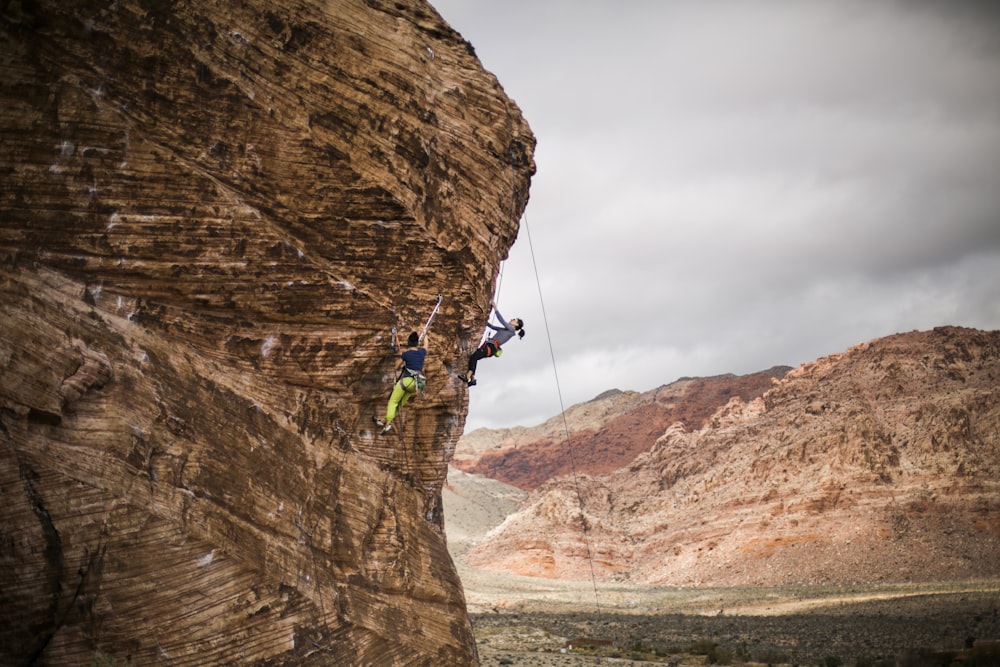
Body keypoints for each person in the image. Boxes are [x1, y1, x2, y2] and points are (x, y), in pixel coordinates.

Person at [374, 331, 427, 434]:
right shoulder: (421, 353)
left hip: (406, 382)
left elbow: (396, 366)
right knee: (399, 405)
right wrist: (425, 334)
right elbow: (426, 345)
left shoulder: (406, 354)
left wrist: (402, 358)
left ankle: (388, 424)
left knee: (393, 402)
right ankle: (387, 422)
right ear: (417, 343)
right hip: (415, 385)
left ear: (408, 343)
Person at [464, 302, 524, 387]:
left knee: (474, 356)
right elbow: (492, 327)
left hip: (491, 347)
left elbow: (502, 320)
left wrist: (495, 308)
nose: (512, 319)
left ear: (516, 325)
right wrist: (484, 320)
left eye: (514, 320)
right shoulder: (505, 330)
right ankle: (472, 379)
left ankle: (467, 376)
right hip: (490, 347)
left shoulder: (511, 330)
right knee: (474, 356)